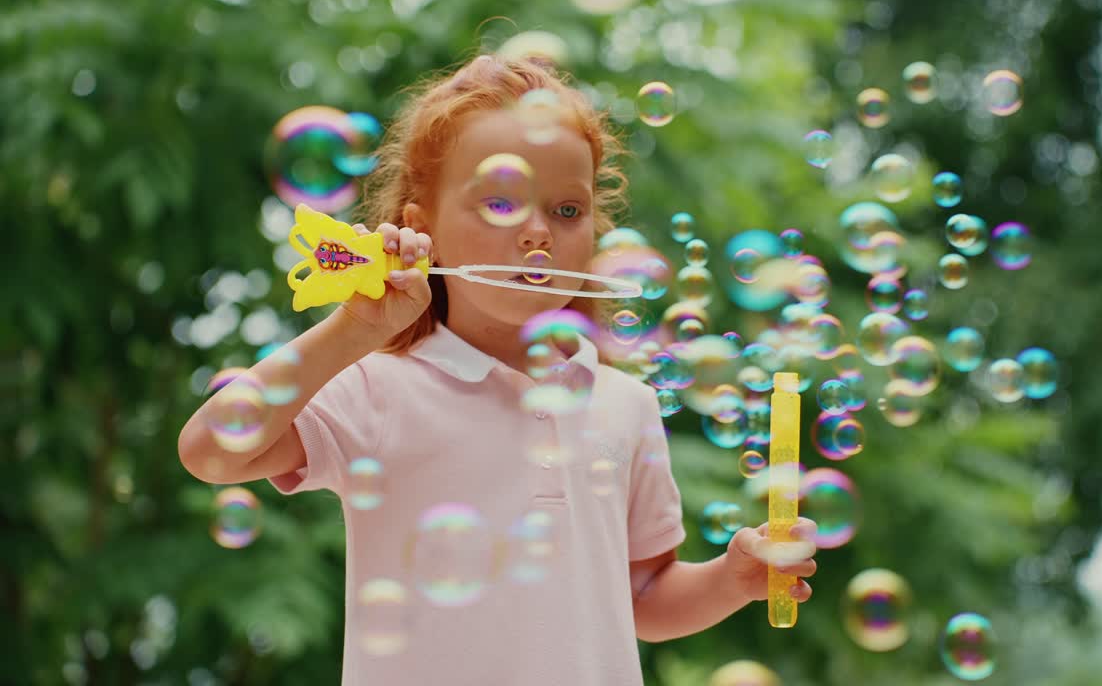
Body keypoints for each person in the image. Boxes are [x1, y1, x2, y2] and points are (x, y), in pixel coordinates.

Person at [178, 53, 817, 685]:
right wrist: (355, 330)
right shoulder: (378, 386)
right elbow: (212, 453)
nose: (538, 232)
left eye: (568, 211)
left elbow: (643, 597)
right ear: (421, 230)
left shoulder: (626, 405)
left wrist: (732, 579)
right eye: (501, 205)